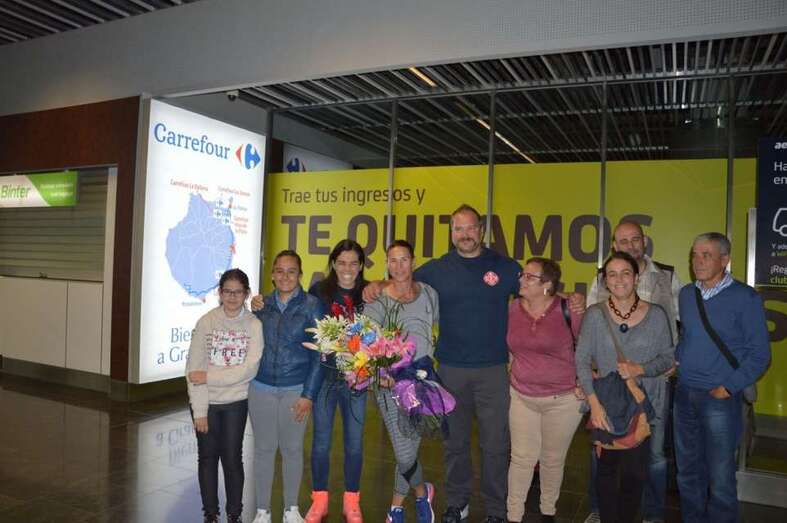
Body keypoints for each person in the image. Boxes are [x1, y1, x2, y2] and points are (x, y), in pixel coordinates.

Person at [364, 204, 585, 523]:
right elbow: (401, 279)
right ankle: (457, 503)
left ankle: (496, 511)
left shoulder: (505, 267)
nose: (464, 234)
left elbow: (537, 290)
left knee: (496, 445)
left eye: (470, 228)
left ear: (481, 230)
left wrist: (568, 297)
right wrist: (374, 285)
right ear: (451, 233)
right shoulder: (437, 269)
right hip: (451, 370)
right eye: (458, 229)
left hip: (494, 371)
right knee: (454, 444)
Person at [584, 220, 681, 523]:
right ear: (614, 245)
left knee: (651, 455)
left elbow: (676, 327)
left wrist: (653, 365)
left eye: (634, 239)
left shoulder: (666, 277)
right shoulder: (600, 284)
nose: (629, 245)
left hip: (649, 387)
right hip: (610, 390)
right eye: (622, 241)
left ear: (644, 241)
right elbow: (587, 336)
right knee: (605, 454)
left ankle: (651, 515)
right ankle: (600, 511)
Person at [673, 233, 770, 523]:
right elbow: (688, 336)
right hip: (685, 392)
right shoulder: (687, 294)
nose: (697, 261)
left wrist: (728, 387)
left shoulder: (745, 297)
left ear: (725, 260)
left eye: (706, 255)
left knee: (720, 477)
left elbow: (760, 355)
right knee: (687, 472)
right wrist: (678, 358)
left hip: (719, 398)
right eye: (694, 254)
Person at [364, 240, 439, 523]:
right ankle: (422, 492)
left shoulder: (429, 294)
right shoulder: (378, 300)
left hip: (422, 382)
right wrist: (380, 374)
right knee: (404, 452)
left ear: (414, 261)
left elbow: (436, 328)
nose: (398, 266)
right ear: (386, 264)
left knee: (409, 447)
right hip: (389, 384)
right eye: (392, 261)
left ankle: (395, 509)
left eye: (403, 259)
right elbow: (365, 342)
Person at [506, 257, 584, 523]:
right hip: (521, 395)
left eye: (530, 277)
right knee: (521, 459)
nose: (521, 280)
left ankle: (547, 512)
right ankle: (513, 515)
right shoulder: (514, 308)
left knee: (552, 460)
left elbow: (587, 347)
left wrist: (586, 380)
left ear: (547, 285)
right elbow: (510, 344)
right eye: (522, 275)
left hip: (563, 399)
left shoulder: (568, 309)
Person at [249, 251, 323, 523]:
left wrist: (308, 395)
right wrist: (252, 305)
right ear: (272, 275)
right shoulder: (261, 305)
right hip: (261, 387)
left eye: (291, 271)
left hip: (296, 388)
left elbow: (320, 355)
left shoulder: (313, 306)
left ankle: (291, 509)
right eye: (279, 270)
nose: (285, 276)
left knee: (292, 449)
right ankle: (262, 510)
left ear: (300, 275)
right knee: (264, 450)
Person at [186, 268, 263, 523]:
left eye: (238, 292)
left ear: (246, 294)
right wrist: (199, 411)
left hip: (235, 402)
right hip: (206, 402)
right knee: (207, 458)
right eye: (227, 291)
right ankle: (210, 514)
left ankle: (234, 513)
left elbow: (248, 370)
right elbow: (192, 371)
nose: (232, 296)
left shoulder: (254, 325)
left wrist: (209, 376)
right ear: (220, 293)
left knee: (232, 458)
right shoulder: (206, 322)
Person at [305, 239, 370, 523]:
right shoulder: (319, 291)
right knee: (321, 443)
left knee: (354, 444)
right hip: (325, 376)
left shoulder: (369, 293)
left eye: (353, 263)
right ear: (333, 264)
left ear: (360, 266)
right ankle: (319, 500)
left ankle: (351, 502)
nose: (347, 269)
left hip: (357, 379)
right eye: (341, 263)